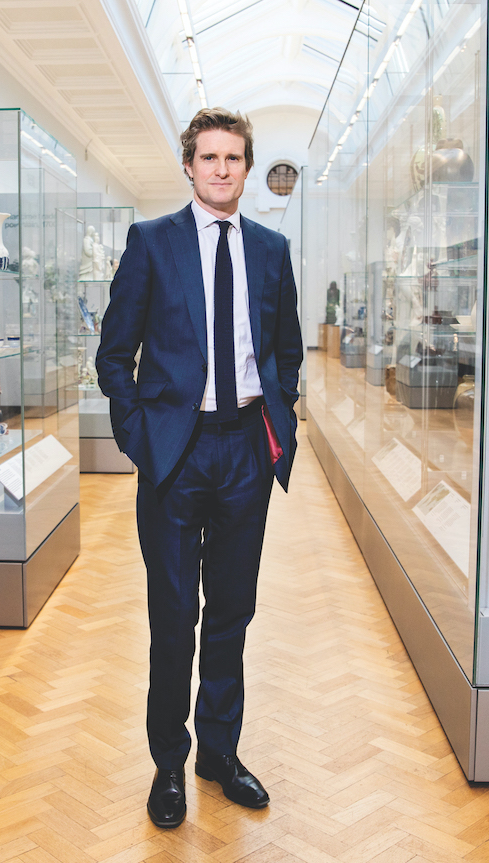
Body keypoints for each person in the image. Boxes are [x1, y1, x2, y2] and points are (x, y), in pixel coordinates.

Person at [96, 107, 302, 828]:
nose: (221, 169)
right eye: (209, 158)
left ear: (247, 168)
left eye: (233, 158)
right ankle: (168, 764)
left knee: (233, 610)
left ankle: (219, 751)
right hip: (176, 455)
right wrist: (139, 437)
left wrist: (279, 420)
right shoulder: (153, 243)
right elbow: (114, 355)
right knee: (174, 612)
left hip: (246, 446)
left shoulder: (272, 250)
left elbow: (286, 352)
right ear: (189, 166)